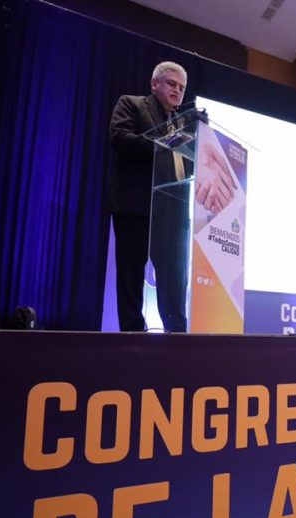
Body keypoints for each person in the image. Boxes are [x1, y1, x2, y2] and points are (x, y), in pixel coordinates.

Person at [108, 61, 229, 333]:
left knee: (175, 281)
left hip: (173, 213)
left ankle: (176, 337)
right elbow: (120, 138)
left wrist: (202, 138)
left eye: (182, 87)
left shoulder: (182, 125)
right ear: (155, 84)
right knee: (130, 278)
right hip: (137, 208)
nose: (177, 91)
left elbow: (190, 166)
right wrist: (168, 139)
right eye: (172, 84)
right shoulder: (132, 104)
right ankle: (132, 338)